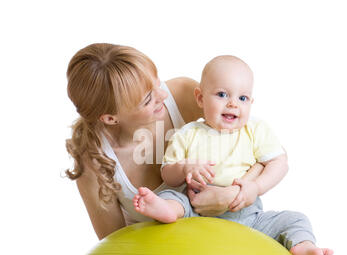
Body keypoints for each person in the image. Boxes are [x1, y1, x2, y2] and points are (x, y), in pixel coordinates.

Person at [133, 55, 333, 255]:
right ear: (200, 98)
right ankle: (167, 211)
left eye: (243, 98)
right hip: (195, 210)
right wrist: (185, 168)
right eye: (222, 94)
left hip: (249, 217)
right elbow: (167, 175)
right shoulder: (188, 133)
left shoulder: (255, 130)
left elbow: (279, 163)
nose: (233, 104)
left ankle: (303, 247)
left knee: (296, 219)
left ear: (251, 103)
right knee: (170, 196)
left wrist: (255, 187)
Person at [65, 43, 257, 241]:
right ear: (110, 118)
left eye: (157, 83)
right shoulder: (94, 164)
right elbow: (114, 244)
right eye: (148, 99)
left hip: (229, 234)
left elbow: (263, 152)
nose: (163, 96)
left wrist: (234, 193)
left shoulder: (184, 95)